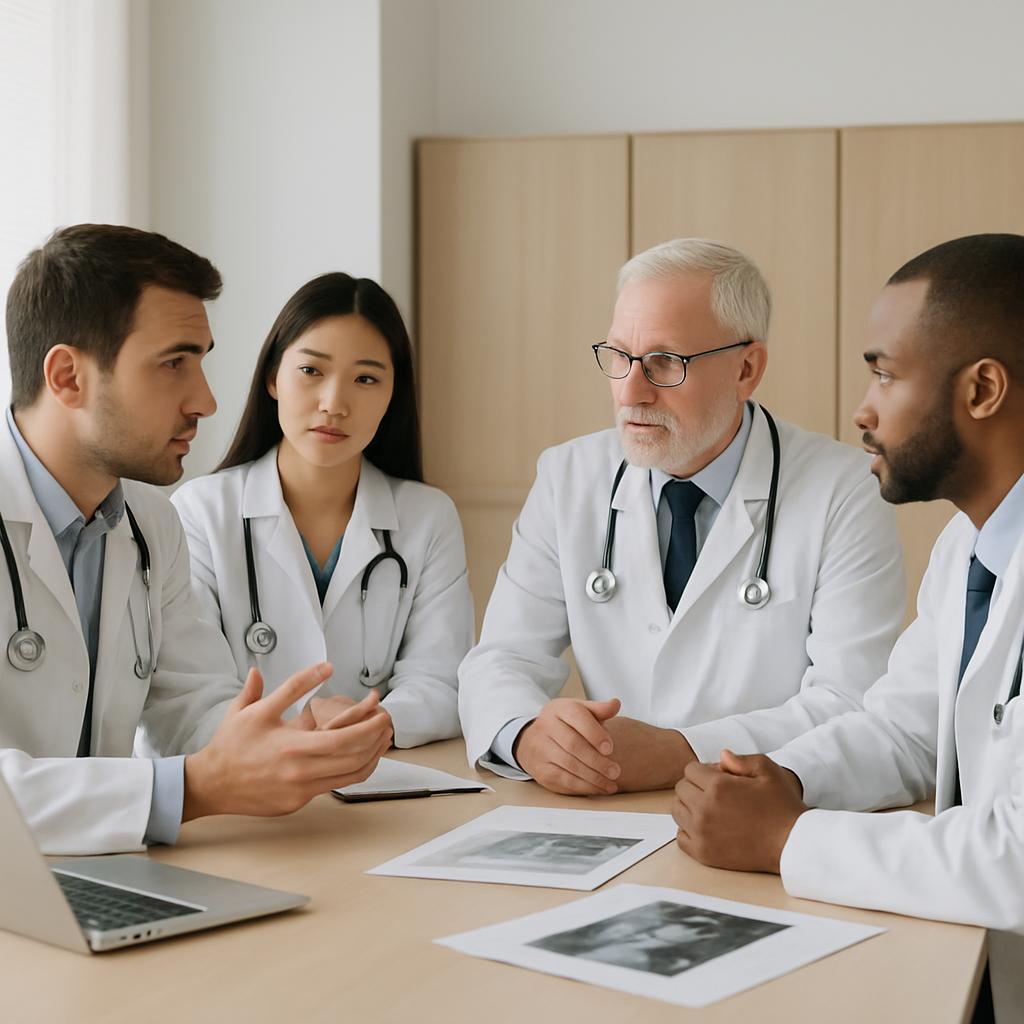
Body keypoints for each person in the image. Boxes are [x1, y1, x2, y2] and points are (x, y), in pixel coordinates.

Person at [672, 233, 1024, 1023]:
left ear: (984, 389)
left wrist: (786, 839)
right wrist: (778, 782)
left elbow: (1018, 859)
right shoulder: (969, 543)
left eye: (887, 375)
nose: (863, 410)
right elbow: (903, 731)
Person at [458, 238, 905, 793]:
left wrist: (679, 752)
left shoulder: (843, 491)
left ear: (747, 369)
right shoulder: (567, 477)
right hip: (601, 813)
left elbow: (852, 701)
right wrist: (527, 734)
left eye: (665, 362)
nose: (630, 392)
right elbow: (502, 657)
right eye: (619, 357)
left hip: (754, 811)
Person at [0, 224, 392, 857]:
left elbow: (192, 705)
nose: (206, 400)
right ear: (68, 377)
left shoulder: (152, 524)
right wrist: (194, 789)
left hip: (103, 877)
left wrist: (283, 738)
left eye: (202, 361)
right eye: (174, 363)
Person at [170, 273, 472, 748]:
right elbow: (191, 696)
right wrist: (300, 730)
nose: (334, 404)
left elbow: (442, 681)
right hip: (243, 789)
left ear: (393, 395)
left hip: (375, 779)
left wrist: (372, 721)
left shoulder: (428, 517)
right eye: (311, 371)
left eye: (366, 378)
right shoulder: (200, 512)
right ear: (273, 377)